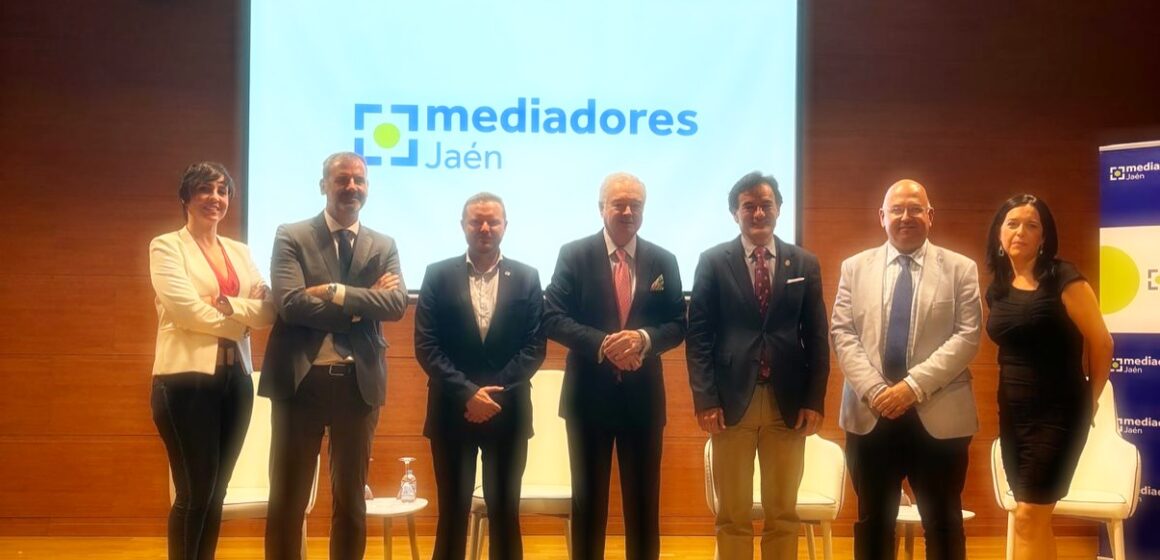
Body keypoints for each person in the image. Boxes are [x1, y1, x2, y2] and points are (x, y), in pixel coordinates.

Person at [259, 152, 408, 560]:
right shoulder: (291, 235)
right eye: (342, 180)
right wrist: (363, 304)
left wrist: (333, 292)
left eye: (359, 180)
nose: (352, 188)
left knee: (351, 500)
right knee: (288, 498)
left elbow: (395, 304)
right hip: (300, 381)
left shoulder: (383, 244)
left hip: (357, 385)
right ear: (323, 184)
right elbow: (290, 304)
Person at [831, 179, 982, 560]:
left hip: (939, 413)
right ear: (881, 217)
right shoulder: (854, 268)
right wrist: (876, 390)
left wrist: (912, 387)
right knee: (873, 524)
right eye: (896, 209)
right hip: (871, 414)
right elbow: (843, 332)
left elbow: (968, 336)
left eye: (915, 208)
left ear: (930, 216)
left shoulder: (961, 269)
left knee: (944, 523)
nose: (905, 216)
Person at [542, 172, 686, 560]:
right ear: (601, 207)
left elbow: (678, 324)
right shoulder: (574, 255)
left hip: (643, 401)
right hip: (588, 399)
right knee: (588, 505)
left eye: (635, 205)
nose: (627, 211)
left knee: (644, 506)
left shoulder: (663, 260)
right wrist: (603, 344)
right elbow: (552, 316)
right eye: (618, 204)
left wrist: (643, 339)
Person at [686, 171, 830, 559]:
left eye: (766, 204)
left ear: (779, 209)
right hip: (731, 402)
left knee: (783, 511)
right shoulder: (713, 261)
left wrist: (814, 400)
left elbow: (817, 336)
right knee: (732, 513)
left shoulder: (804, 261)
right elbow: (699, 336)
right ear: (735, 213)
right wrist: (705, 399)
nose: (758, 212)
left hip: (788, 401)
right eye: (749, 206)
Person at [149, 162, 275, 560]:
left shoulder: (240, 251)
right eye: (205, 190)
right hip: (184, 382)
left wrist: (225, 304)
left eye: (222, 191)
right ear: (186, 197)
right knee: (194, 491)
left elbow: (267, 312)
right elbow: (185, 310)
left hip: (236, 381)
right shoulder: (166, 246)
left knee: (217, 491)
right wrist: (240, 318)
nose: (215, 199)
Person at [415, 192, 547, 560]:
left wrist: (492, 396)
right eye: (476, 221)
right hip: (451, 412)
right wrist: (467, 394)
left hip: (509, 413)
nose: (485, 228)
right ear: (463, 226)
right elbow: (427, 346)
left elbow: (535, 347)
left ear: (506, 225)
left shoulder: (527, 276)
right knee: (452, 513)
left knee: (505, 513)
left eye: (493, 221)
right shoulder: (437, 274)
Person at [984, 194, 1113, 560]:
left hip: (1059, 414)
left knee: (1029, 514)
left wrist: (1092, 400)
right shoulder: (997, 290)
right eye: (1012, 223)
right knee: (1032, 518)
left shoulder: (1063, 279)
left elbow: (1102, 343)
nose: (1020, 231)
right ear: (999, 234)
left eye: (1032, 225)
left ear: (1044, 237)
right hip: (1013, 414)